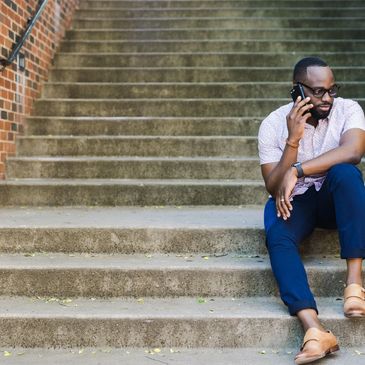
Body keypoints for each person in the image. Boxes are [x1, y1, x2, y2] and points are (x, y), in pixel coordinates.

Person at [258, 56, 365, 365]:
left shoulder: (348, 109)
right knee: (277, 232)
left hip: (336, 201)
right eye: (318, 92)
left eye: (331, 89)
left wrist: (298, 170)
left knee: (345, 174)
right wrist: (293, 141)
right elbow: (272, 185)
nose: (328, 98)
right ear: (298, 92)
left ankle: (355, 285)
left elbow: (353, 151)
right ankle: (315, 331)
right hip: (299, 201)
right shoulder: (272, 125)